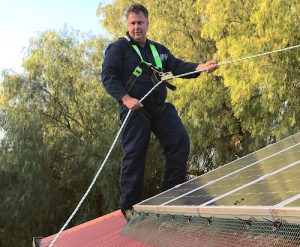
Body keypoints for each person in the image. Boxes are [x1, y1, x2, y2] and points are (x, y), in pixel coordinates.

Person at [101, 3, 217, 220]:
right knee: (135, 155)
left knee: (180, 140)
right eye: (133, 23)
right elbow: (108, 77)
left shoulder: (158, 50)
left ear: (147, 23)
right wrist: (126, 99)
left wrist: (200, 67)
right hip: (135, 111)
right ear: (128, 25)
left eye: (140, 23)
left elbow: (177, 66)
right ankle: (130, 207)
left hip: (160, 108)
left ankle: (171, 191)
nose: (137, 27)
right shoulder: (118, 49)